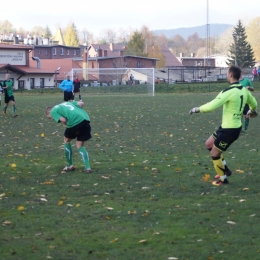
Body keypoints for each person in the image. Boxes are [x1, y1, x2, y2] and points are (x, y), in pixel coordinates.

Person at [189, 65, 258, 186]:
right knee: (209, 144)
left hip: (230, 130)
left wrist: (197, 109)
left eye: (227, 73)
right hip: (227, 127)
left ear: (230, 75)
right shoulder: (244, 90)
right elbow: (254, 103)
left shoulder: (228, 91)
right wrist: (251, 110)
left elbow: (211, 106)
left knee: (215, 153)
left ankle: (223, 180)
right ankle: (225, 169)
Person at [45, 100, 92, 173]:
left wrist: (67, 124)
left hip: (75, 122)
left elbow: (63, 120)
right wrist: (80, 102)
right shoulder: (66, 103)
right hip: (85, 120)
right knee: (80, 145)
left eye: (50, 118)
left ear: (49, 112)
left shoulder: (53, 111)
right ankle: (87, 167)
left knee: (66, 140)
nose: (53, 119)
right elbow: (81, 104)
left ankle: (70, 165)